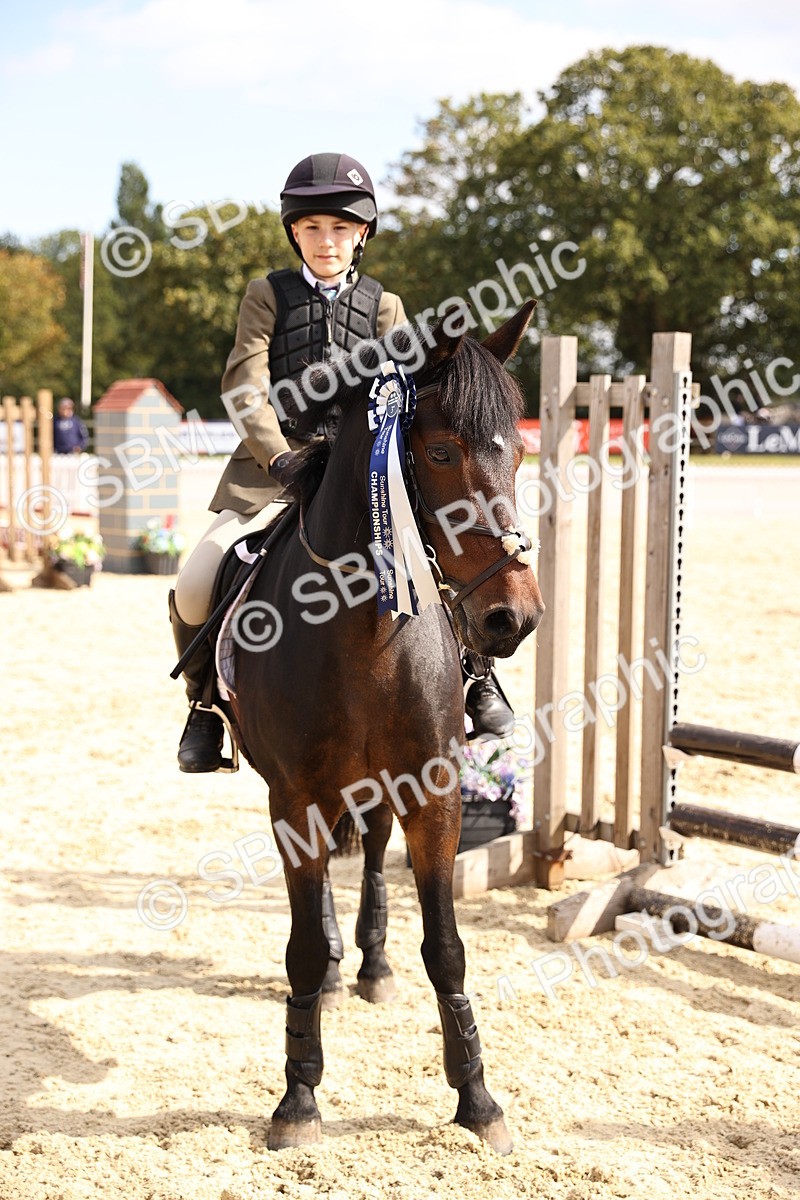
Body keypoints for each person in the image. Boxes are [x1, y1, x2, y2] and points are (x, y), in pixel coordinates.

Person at [169, 152, 516, 772]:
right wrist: (278, 457)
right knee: (197, 580)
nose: (325, 241)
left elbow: (406, 394)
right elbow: (245, 387)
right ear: (294, 232)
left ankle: (477, 678)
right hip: (273, 470)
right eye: (312, 228)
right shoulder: (266, 296)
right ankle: (204, 707)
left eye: (339, 228)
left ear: (361, 235)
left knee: (442, 557)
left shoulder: (385, 305)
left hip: (363, 476)